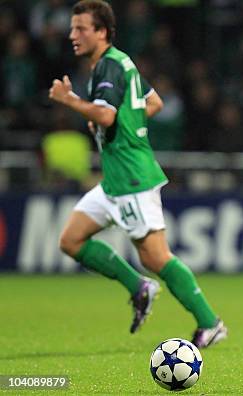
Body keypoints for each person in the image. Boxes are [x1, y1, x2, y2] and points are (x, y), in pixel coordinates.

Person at [48, 0, 226, 349]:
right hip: (114, 179)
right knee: (71, 240)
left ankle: (211, 322)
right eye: (73, 28)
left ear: (101, 31)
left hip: (132, 177)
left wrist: (70, 101)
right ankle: (139, 286)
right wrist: (121, 117)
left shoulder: (109, 67)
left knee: (156, 257)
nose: (73, 35)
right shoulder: (118, 62)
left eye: (81, 28)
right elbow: (154, 102)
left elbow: (107, 117)